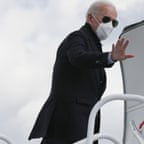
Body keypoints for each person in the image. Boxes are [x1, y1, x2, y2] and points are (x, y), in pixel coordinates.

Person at [28, 1, 134, 144]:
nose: (110, 26)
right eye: (106, 20)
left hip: (84, 123)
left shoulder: (94, 45)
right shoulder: (77, 38)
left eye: (114, 23)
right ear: (90, 18)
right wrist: (109, 57)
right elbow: (78, 58)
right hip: (68, 122)